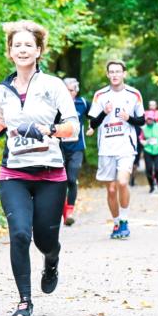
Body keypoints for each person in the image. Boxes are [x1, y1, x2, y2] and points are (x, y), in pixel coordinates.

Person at [0, 21, 79, 316]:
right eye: (16, 45)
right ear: (9, 52)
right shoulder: (2, 90)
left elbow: (73, 127)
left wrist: (51, 129)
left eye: (28, 45)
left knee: (45, 241)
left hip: (50, 174)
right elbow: (2, 121)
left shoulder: (53, 85)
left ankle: (52, 259)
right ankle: (24, 302)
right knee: (19, 234)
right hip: (14, 173)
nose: (22, 50)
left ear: (39, 50)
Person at [87, 60, 144, 239]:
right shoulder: (100, 95)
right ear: (107, 74)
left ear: (124, 74)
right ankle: (117, 222)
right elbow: (92, 124)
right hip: (106, 148)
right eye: (111, 72)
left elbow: (141, 121)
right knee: (111, 190)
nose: (114, 75)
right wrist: (104, 112)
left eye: (118, 71)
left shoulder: (134, 94)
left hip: (126, 147)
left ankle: (125, 221)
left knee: (122, 183)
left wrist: (129, 118)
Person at [59, 77, 88, 226]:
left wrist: (92, 127)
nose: (67, 93)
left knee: (71, 179)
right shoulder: (57, 104)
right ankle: (63, 213)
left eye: (70, 90)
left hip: (77, 147)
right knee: (60, 181)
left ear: (76, 91)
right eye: (65, 90)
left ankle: (69, 211)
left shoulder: (82, 103)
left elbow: (94, 116)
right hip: (59, 148)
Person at [139, 110, 158, 192]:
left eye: (151, 119)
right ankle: (151, 185)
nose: (149, 120)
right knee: (148, 169)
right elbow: (140, 138)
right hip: (148, 150)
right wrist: (143, 142)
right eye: (148, 119)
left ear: (154, 119)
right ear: (146, 119)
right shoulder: (144, 128)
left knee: (157, 169)